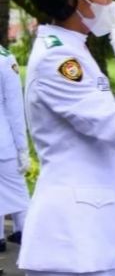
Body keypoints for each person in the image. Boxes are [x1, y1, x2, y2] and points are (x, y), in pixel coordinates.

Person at [18, 0, 115, 276]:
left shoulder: (74, 50)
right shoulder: (60, 60)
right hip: (71, 236)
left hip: (90, 232)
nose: (111, 4)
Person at [0, 43, 30, 252]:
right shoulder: (4, 57)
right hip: (3, 143)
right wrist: (22, 148)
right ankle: (28, 233)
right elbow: (14, 108)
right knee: (18, 191)